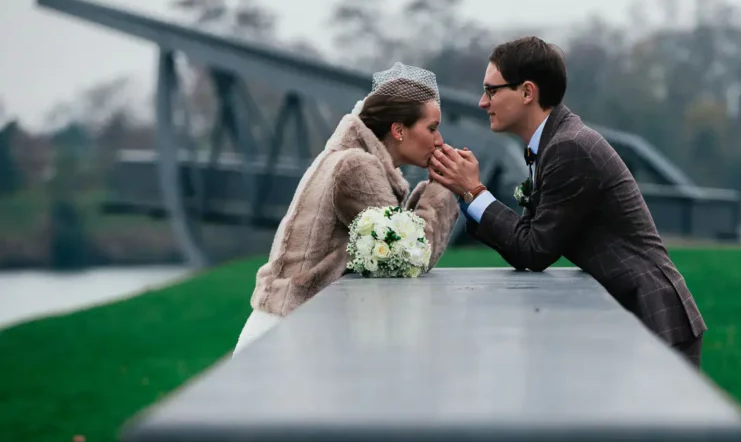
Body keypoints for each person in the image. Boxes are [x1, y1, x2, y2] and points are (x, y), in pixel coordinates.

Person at [428, 37, 707, 368]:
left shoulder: (568, 148)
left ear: (527, 92)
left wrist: (473, 192)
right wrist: (470, 193)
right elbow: (526, 245)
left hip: (652, 318)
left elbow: (533, 250)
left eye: (492, 91)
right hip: (635, 315)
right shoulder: (553, 142)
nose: (481, 103)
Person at [233, 63, 461, 356]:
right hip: (287, 331)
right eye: (432, 128)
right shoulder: (356, 166)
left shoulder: (346, 158)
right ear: (399, 130)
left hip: (289, 323)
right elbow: (410, 256)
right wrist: (446, 187)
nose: (440, 140)